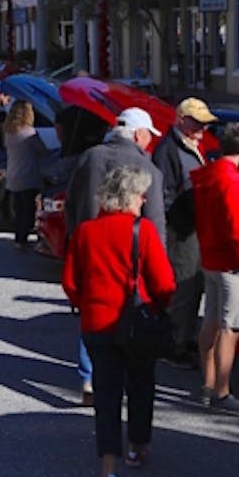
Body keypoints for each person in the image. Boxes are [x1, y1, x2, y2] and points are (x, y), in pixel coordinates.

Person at [63, 165, 176, 477]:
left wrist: (87, 302)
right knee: (141, 384)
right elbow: (165, 284)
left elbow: (71, 282)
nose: (143, 201)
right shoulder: (144, 231)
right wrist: (157, 304)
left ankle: (108, 468)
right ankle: (137, 446)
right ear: (128, 198)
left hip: (97, 323)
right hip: (136, 323)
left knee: (107, 394)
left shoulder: (85, 232)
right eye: (141, 195)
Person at [65, 108, 167, 407]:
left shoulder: (90, 157)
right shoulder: (145, 166)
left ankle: (89, 377)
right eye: (149, 136)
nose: (149, 143)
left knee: (90, 308)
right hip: (131, 251)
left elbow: (70, 202)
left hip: (87, 248)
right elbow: (156, 220)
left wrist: (75, 239)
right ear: (138, 134)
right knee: (129, 312)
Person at [191, 122, 239, 415]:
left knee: (211, 322)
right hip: (232, 263)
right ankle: (222, 392)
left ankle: (208, 385)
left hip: (211, 258)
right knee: (229, 328)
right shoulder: (231, 181)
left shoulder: (208, 175)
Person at [151, 97, 216, 369]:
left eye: (205, 123)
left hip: (193, 227)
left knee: (193, 286)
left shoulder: (191, 145)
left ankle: (184, 337)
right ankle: (173, 346)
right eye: (197, 122)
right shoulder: (169, 149)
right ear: (180, 120)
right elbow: (163, 193)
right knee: (183, 288)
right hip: (181, 230)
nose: (202, 128)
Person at [3, 100, 46, 250]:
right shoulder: (29, 133)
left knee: (18, 209)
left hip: (13, 174)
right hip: (28, 175)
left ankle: (18, 238)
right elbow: (42, 151)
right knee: (29, 210)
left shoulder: (9, 131)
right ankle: (24, 238)